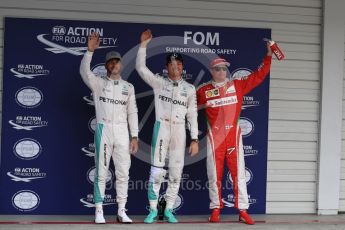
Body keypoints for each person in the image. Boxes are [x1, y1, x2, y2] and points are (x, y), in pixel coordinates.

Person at [197, 42, 272, 225]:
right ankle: (215, 208)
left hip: (233, 137)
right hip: (215, 138)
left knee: (239, 174)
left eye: (223, 69)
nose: (221, 72)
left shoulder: (237, 85)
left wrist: (269, 55)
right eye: (217, 69)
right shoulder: (203, 91)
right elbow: (189, 109)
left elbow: (259, 76)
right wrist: (203, 106)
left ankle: (243, 210)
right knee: (214, 174)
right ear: (212, 71)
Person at [136, 29, 199, 223]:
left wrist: (195, 138)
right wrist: (143, 46)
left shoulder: (189, 89)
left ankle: (169, 208)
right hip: (161, 128)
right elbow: (140, 68)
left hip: (179, 130)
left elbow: (193, 115)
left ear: (182, 67)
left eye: (179, 64)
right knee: (156, 171)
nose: (175, 67)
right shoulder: (158, 83)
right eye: (172, 64)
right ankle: (153, 209)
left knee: (176, 172)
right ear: (167, 67)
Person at [80, 32, 139, 224]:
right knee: (101, 171)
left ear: (121, 64)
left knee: (123, 172)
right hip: (104, 129)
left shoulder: (128, 87)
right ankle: (99, 210)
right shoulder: (98, 83)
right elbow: (84, 72)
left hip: (122, 131)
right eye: (110, 62)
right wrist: (89, 51)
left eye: (117, 62)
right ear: (106, 65)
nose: (114, 65)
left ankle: (121, 210)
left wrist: (135, 136)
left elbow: (133, 112)